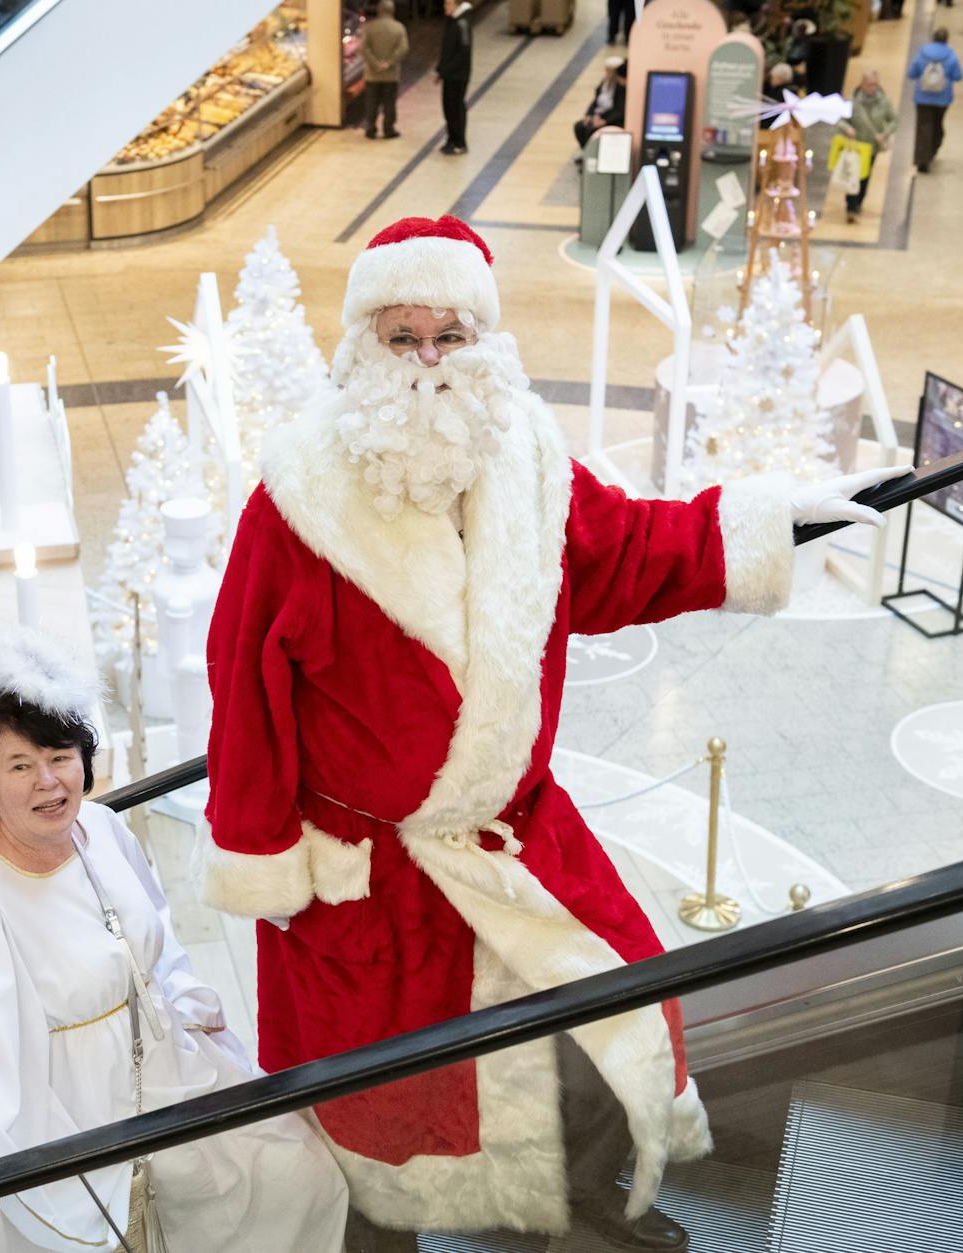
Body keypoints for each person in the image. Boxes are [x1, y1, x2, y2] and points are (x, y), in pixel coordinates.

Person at [201, 214, 906, 1253]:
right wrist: (270, 862)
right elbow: (243, 692)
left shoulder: (525, 462)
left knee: (611, 1022)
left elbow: (621, 551)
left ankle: (568, 1208)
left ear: (485, 342)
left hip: (515, 833)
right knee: (381, 1119)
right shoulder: (294, 502)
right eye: (404, 337)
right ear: (362, 344)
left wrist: (766, 521)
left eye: (451, 334)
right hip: (367, 881)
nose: (430, 363)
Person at [0, 630, 348, 1252]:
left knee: (301, 1174)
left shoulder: (101, 828)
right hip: (72, 1106)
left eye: (59, 757)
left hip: (167, 1065)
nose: (48, 782)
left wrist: (195, 1009)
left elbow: (157, 935)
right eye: (20, 766)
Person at [841, 70, 899, 221]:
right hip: (855, 146)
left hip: (871, 148)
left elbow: (894, 120)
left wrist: (884, 134)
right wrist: (847, 128)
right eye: (870, 84)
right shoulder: (854, 102)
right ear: (862, 84)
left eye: (875, 84)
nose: (873, 88)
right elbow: (840, 120)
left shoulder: (883, 101)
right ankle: (851, 206)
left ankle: (858, 202)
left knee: (865, 176)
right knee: (853, 175)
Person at [908, 28, 963, 172]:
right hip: (942, 99)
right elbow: (958, 76)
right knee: (938, 125)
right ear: (947, 39)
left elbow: (912, 73)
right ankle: (932, 151)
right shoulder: (951, 56)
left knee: (923, 127)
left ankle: (922, 159)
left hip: (922, 98)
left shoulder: (922, 53)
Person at [360, 0, 410, 140]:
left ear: (379, 11)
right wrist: (389, 63)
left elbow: (363, 48)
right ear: (392, 11)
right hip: (391, 74)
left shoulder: (369, 27)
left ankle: (371, 128)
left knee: (371, 102)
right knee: (389, 103)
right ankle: (389, 129)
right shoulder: (399, 28)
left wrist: (375, 63)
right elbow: (403, 48)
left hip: (372, 74)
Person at [438, 0, 473, 156]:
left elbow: (463, 53)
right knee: (448, 108)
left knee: (456, 108)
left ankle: (459, 142)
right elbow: (447, 49)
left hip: (458, 75)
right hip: (448, 74)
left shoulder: (462, 24)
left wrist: (446, 69)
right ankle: (451, 139)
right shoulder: (452, 22)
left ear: (457, 5)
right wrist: (440, 69)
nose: (446, 7)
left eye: (448, 4)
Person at [575, 57, 628, 148]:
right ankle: (585, 151)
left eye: (609, 70)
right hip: (598, 115)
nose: (607, 72)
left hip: (610, 119)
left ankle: (591, 152)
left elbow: (619, 110)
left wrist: (604, 120)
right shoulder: (604, 82)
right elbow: (596, 101)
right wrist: (589, 114)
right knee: (580, 126)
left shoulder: (621, 87)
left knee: (591, 130)